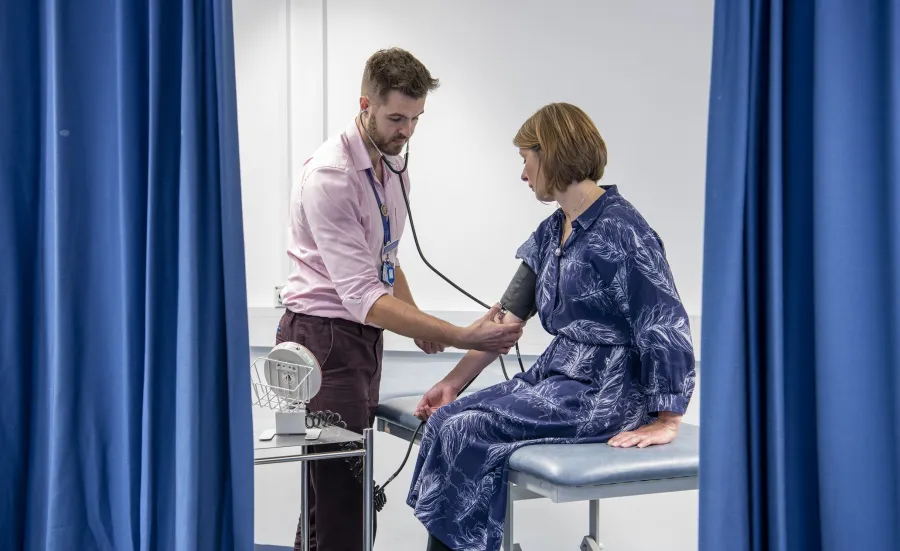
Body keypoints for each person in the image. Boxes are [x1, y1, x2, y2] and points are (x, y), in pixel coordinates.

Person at [406, 103, 696, 551]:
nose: (523, 174)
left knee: (468, 430)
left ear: (552, 153)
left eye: (526, 159)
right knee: (449, 418)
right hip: (558, 377)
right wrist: (451, 383)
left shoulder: (624, 231)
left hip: (606, 391)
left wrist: (669, 417)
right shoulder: (551, 232)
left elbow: (665, 323)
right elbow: (505, 320)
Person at [276, 48, 524, 551]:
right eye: (396, 118)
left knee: (338, 493)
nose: (406, 130)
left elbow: (385, 258)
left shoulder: (391, 168)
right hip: (323, 339)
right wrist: (459, 335)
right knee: (341, 498)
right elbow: (364, 296)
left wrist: (414, 323)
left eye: (416, 119)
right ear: (365, 103)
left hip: (357, 338)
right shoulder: (333, 176)